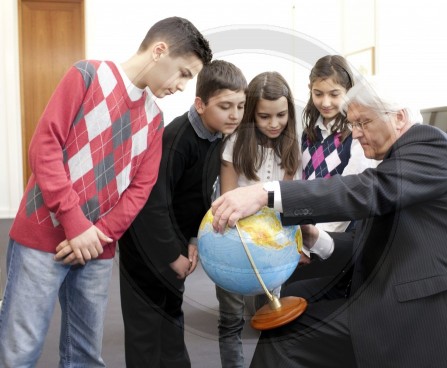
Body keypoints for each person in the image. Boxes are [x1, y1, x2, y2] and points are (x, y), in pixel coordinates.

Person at [210, 77, 447, 367]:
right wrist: (314, 238)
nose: (356, 134)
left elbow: (364, 190)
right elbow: (372, 241)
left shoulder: (431, 145)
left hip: (426, 308)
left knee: (285, 340)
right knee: (294, 296)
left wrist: (266, 193)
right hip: (391, 288)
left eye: (363, 123)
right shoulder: (398, 161)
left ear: (398, 118)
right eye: (352, 124)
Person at [0, 16, 212, 368]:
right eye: (184, 73)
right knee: (19, 350)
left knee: (84, 354)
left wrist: (96, 235)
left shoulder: (154, 117)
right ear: (160, 51)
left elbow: (139, 190)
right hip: (42, 236)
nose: (182, 86)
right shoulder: (86, 75)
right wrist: (75, 224)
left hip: (97, 249)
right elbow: (44, 148)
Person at [118, 59, 247, 368]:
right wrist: (169, 255)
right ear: (200, 104)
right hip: (145, 246)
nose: (235, 115)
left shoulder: (218, 136)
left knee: (172, 318)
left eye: (241, 106)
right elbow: (153, 203)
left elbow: (199, 195)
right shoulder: (177, 139)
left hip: (174, 238)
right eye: (226, 106)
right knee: (145, 330)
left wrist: (191, 239)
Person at [216, 71, 300, 368]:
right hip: (233, 242)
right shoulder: (236, 143)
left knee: (273, 316)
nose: (274, 124)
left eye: (281, 115)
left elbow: (288, 201)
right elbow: (226, 198)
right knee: (231, 319)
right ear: (253, 113)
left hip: (272, 246)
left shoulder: (291, 146)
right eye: (265, 116)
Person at [292, 54, 376, 276]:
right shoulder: (309, 134)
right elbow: (305, 185)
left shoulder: (355, 135)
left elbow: (349, 195)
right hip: (309, 232)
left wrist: (313, 241)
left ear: (348, 91)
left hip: (337, 237)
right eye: (318, 94)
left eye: (334, 94)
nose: (325, 102)